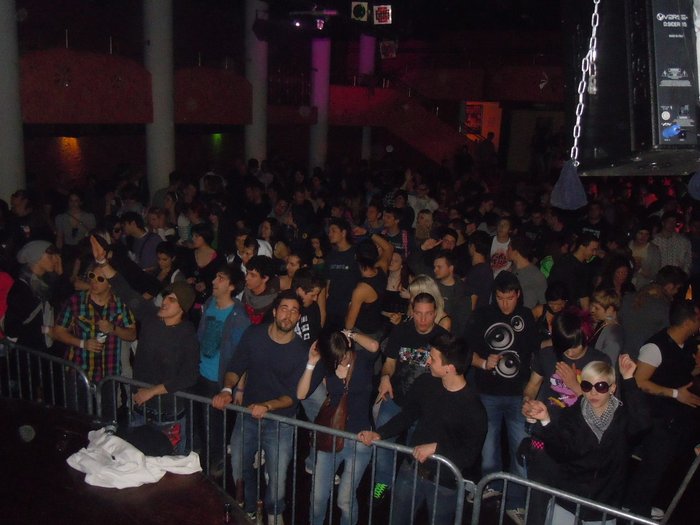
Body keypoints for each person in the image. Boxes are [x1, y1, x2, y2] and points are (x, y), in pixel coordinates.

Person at [359, 333, 487, 525]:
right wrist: (380, 433)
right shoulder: (426, 383)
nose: (427, 361)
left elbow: (469, 455)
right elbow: (407, 415)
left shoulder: (473, 408)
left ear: (449, 368)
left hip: (444, 483)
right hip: (411, 470)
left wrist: (436, 448)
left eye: (433, 359)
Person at [89, 235, 199, 454]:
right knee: (135, 460)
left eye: (172, 300)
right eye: (166, 297)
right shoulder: (151, 316)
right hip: (140, 409)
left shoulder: (186, 333)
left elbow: (189, 375)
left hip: (168, 415)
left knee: (170, 466)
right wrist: (102, 262)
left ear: (182, 308)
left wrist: (152, 391)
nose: (165, 301)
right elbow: (124, 290)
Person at [211, 290, 308, 524]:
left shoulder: (301, 350)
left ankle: (274, 512)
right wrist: (227, 390)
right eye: (284, 309)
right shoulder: (254, 334)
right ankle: (251, 507)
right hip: (248, 416)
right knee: (238, 467)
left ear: (298, 318)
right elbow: (236, 366)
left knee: (277, 476)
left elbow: (292, 397)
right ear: (274, 312)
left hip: (281, 422)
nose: (288, 315)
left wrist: (267, 405)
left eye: (294, 311)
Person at [523, 356, 650, 524]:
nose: (593, 392)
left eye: (601, 386)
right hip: (568, 498)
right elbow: (560, 452)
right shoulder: (572, 415)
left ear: (612, 388)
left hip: (605, 503)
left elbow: (642, 424)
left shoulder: (623, 418)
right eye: (587, 386)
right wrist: (546, 420)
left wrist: (628, 378)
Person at [467, 271, 538, 521]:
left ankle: (516, 502)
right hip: (488, 392)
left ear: (518, 294)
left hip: (519, 395)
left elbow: (536, 353)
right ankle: (492, 485)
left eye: (509, 298)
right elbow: (466, 350)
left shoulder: (526, 316)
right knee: (488, 447)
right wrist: (483, 362)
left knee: (521, 450)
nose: (505, 304)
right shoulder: (483, 315)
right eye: (500, 298)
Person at [372, 292, 449, 504]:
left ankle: (408, 490)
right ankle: (383, 482)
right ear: (412, 312)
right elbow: (389, 363)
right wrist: (385, 377)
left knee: (415, 451)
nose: (423, 319)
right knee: (383, 441)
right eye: (418, 313)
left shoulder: (443, 338)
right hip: (396, 397)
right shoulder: (401, 331)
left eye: (428, 314)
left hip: (425, 407)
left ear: (435, 313)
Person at [625, 300, 700, 518]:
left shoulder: (686, 345)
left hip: (675, 418)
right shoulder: (655, 347)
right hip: (657, 417)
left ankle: (639, 504)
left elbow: (679, 370)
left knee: (661, 465)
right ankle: (635, 510)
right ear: (688, 322)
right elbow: (639, 381)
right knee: (652, 466)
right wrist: (675, 393)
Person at [297, 329, 380, 525]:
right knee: (318, 497)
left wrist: (350, 334)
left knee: (345, 500)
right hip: (331, 437)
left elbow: (374, 346)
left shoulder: (362, 360)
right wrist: (311, 362)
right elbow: (301, 394)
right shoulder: (327, 365)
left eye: (344, 355)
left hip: (359, 439)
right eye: (337, 358)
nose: (342, 361)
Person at [53, 263, 137, 409]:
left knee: (106, 418)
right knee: (78, 416)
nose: (94, 281)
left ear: (110, 284)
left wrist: (113, 329)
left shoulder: (120, 304)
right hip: (79, 371)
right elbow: (58, 331)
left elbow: (132, 334)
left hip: (108, 373)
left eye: (100, 279)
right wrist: (83, 343)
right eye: (92, 276)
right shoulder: (76, 301)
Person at [192, 263, 250, 473]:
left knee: (214, 426)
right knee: (200, 422)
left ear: (232, 286)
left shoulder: (239, 317)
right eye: (215, 277)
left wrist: (239, 388)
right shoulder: (209, 303)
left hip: (218, 378)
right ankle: (202, 461)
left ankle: (214, 465)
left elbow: (242, 355)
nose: (214, 281)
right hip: (200, 372)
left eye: (221, 278)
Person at [344, 234, 393, 337]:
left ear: (356, 257)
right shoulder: (382, 267)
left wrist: (349, 306)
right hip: (377, 328)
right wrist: (368, 233)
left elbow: (349, 325)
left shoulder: (361, 289)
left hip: (363, 333)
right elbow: (389, 248)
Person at [548, 232, 600, 310]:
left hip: (571, 310)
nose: (595, 253)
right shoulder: (565, 263)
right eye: (593, 250)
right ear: (582, 247)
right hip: (559, 308)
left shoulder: (584, 266)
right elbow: (553, 288)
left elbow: (583, 295)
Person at [325, 218, 359, 330]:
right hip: (331, 306)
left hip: (349, 307)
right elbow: (328, 280)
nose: (330, 234)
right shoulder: (331, 255)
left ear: (343, 233)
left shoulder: (356, 254)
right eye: (329, 231)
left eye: (333, 231)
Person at [432, 250, 470, 337]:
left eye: (439, 267)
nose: (435, 270)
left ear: (451, 268)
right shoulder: (431, 285)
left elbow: (463, 321)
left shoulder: (462, 290)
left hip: (449, 337)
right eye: (434, 267)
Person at [508, 235, 547, 309]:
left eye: (509, 248)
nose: (507, 251)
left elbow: (543, 303)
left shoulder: (536, 276)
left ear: (515, 252)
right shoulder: (512, 269)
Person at [588, 288, 624, 363]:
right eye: (592, 306)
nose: (592, 310)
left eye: (596, 308)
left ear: (610, 309)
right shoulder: (602, 322)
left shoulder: (613, 335)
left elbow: (608, 365)